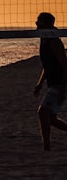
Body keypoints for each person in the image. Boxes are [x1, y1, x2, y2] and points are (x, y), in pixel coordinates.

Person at [33, 11, 67, 151]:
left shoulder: (54, 41)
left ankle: (47, 147)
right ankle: (47, 146)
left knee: (42, 112)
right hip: (53, 83)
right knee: (51, 118)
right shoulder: (44, 40)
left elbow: (65, 65)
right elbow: (47, 66)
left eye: (39, 21)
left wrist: (63, 89)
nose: (36, 23)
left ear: (46, 24)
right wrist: (39, 84)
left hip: (59, 83)